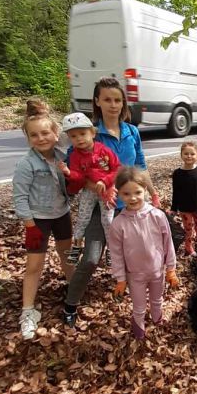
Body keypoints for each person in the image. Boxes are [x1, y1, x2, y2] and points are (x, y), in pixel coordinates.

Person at [62, 77, 161, 327]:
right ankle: (70, 304)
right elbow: (76, 173)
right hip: (101, 206)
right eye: (107, 99)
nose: (113, 105)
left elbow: (140, 165)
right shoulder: (88, 134)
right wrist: (101, 188)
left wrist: (153, 193)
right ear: (97, 101)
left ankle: (128, 291)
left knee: (134, 252)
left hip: (130, 206)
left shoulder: (131, 131)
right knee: (92, 258)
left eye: (117, 100)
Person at [12, 99, 74, 340]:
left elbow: (72, 136)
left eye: (46, 132)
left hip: (61, 214)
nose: (41, 138)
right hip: (37, 220)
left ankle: (73, 290)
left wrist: (52, 122)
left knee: (67, 254)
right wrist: (29, 226)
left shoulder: (62, 155)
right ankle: (27, 311)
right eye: (34, 135)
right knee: (34, 265)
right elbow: (20, 197)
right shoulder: (26, 164)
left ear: (55, 133)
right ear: (28, 139)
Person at [109, 167, 179, 340]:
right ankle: (139, 326)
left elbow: (168, 242)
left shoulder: (157, 216)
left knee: (157, 300)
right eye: (126, 193)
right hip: (135, 275)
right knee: (139, 306)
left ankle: (157, 319)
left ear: (145, 190)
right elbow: (116, 253)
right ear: (119, 194)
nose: (132, 198)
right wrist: (120, 279)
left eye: (137, 192)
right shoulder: (118, 224)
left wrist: (171, 268)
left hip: (157, 271)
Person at [57, 112, 120, 266]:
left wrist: (105, 181)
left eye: (83, 133)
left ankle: (112, 250)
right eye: (73, 136)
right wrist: (69, 173)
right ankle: (77, 246)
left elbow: (117, 168)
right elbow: (79, 177)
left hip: (107, 191)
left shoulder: (104, 150)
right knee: (82, 218)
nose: (79, 138)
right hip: (88, 192)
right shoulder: (75, 156)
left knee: (108, 220)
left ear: (92, 133)